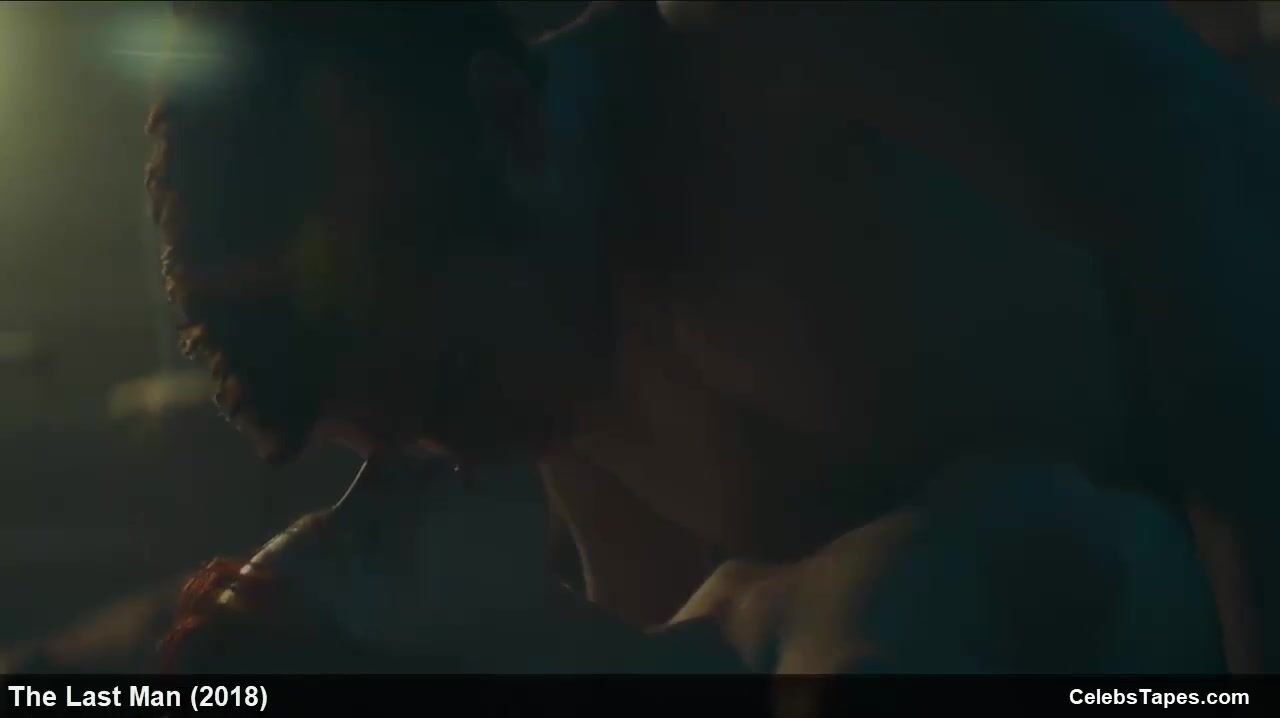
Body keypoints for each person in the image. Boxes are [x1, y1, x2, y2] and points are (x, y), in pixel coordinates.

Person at [146, 1, 1272, 674]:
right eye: (408, 437)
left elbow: (1225, 179)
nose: (465, 454)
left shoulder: (778, 41)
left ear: (510, 122)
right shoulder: (570, 395)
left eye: (450, 383)